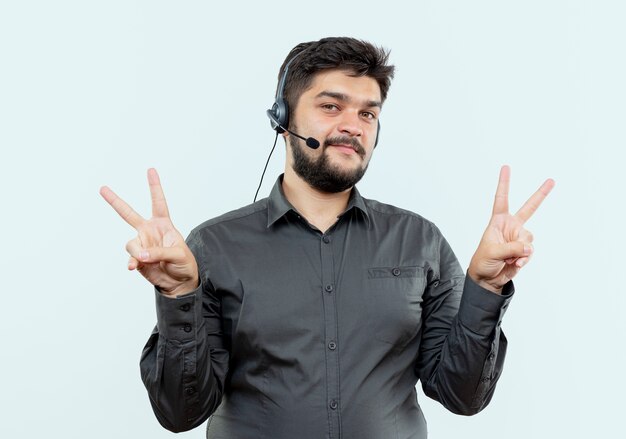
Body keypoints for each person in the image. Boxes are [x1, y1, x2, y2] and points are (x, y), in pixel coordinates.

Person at [100, 37, 554, 439]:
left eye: (367, 113)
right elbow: (181, 412)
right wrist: (178, 293)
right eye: (331, 106)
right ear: (282, 118)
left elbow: (462, 396)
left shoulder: (420, 242)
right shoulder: (214, 247)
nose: (353, 125)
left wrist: (486, 287)